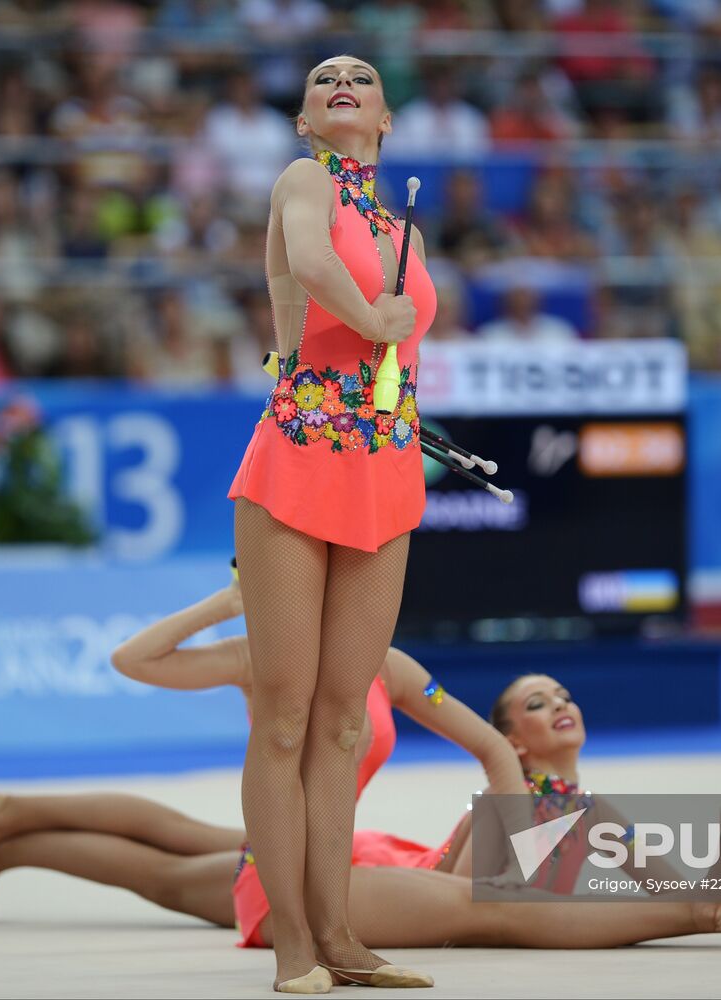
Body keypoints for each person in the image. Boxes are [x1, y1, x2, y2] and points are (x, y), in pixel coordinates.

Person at [0, 580, 721, 954]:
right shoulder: (256, 652)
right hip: (294, 867)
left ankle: (8, 833)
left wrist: (514, 832)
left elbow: (485, 744)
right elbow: (132, 658)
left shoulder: (385, 663)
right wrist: (225, 605)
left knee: (170, 859)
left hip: (342, 847)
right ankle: (700, 911)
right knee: (489, 912)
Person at [224, 56, 442, 992]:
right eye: (323, 79)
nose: (342, 82)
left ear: (386, 118)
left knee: (343, 720)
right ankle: (291, 943)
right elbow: (307, 268)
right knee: (283, 715)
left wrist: (377, 337)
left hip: (384, 467)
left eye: (361, 77)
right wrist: (371, 320)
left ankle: (340, 934)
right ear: (309, 118)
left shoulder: (407, 232)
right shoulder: (303, 181)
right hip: (297, 464)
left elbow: (387, 333)